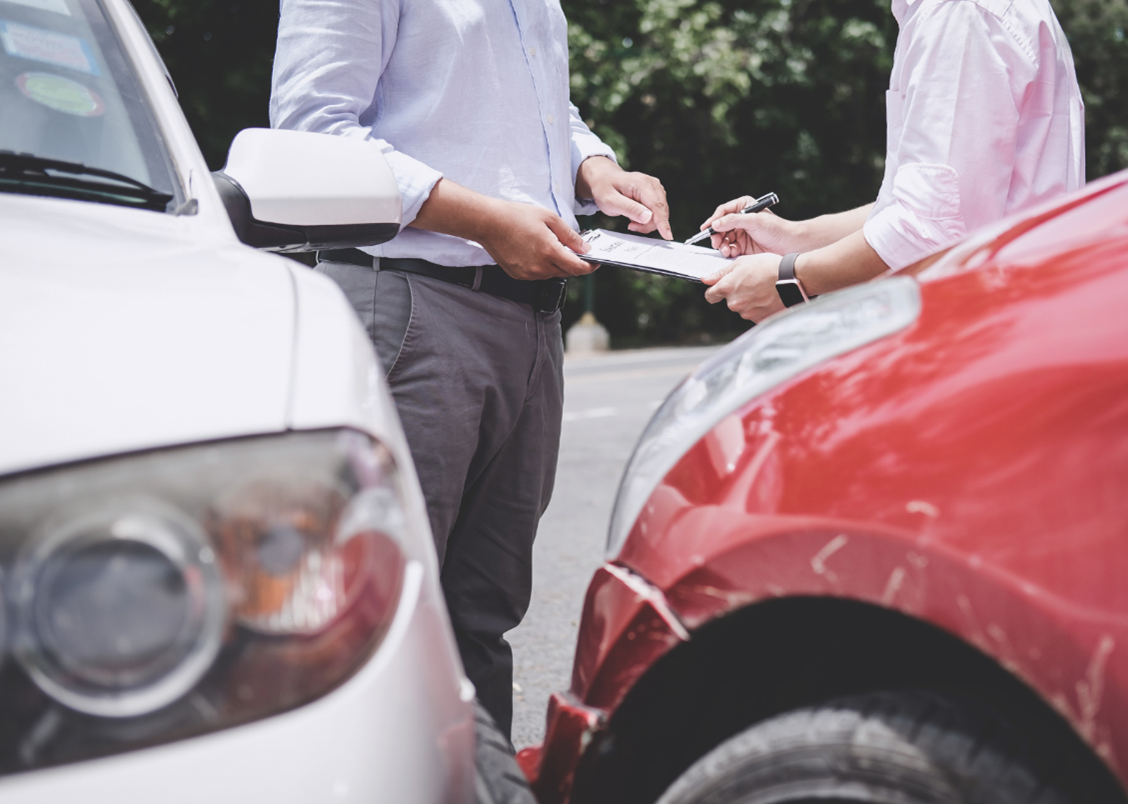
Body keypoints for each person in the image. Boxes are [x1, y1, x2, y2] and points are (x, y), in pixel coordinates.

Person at [269, 0, 671, 738]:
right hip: (412, 307)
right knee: (381, 617)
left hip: (529, 321)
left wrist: (596, 168)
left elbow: (538, 111)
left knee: (480, 617)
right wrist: (485, 221)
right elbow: (312, 133)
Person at [702, 0, 1083, 322]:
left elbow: (926, 228)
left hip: (983, 330)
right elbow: (930, 209)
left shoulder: (954, 13)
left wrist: (790, 277)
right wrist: (793, 237)